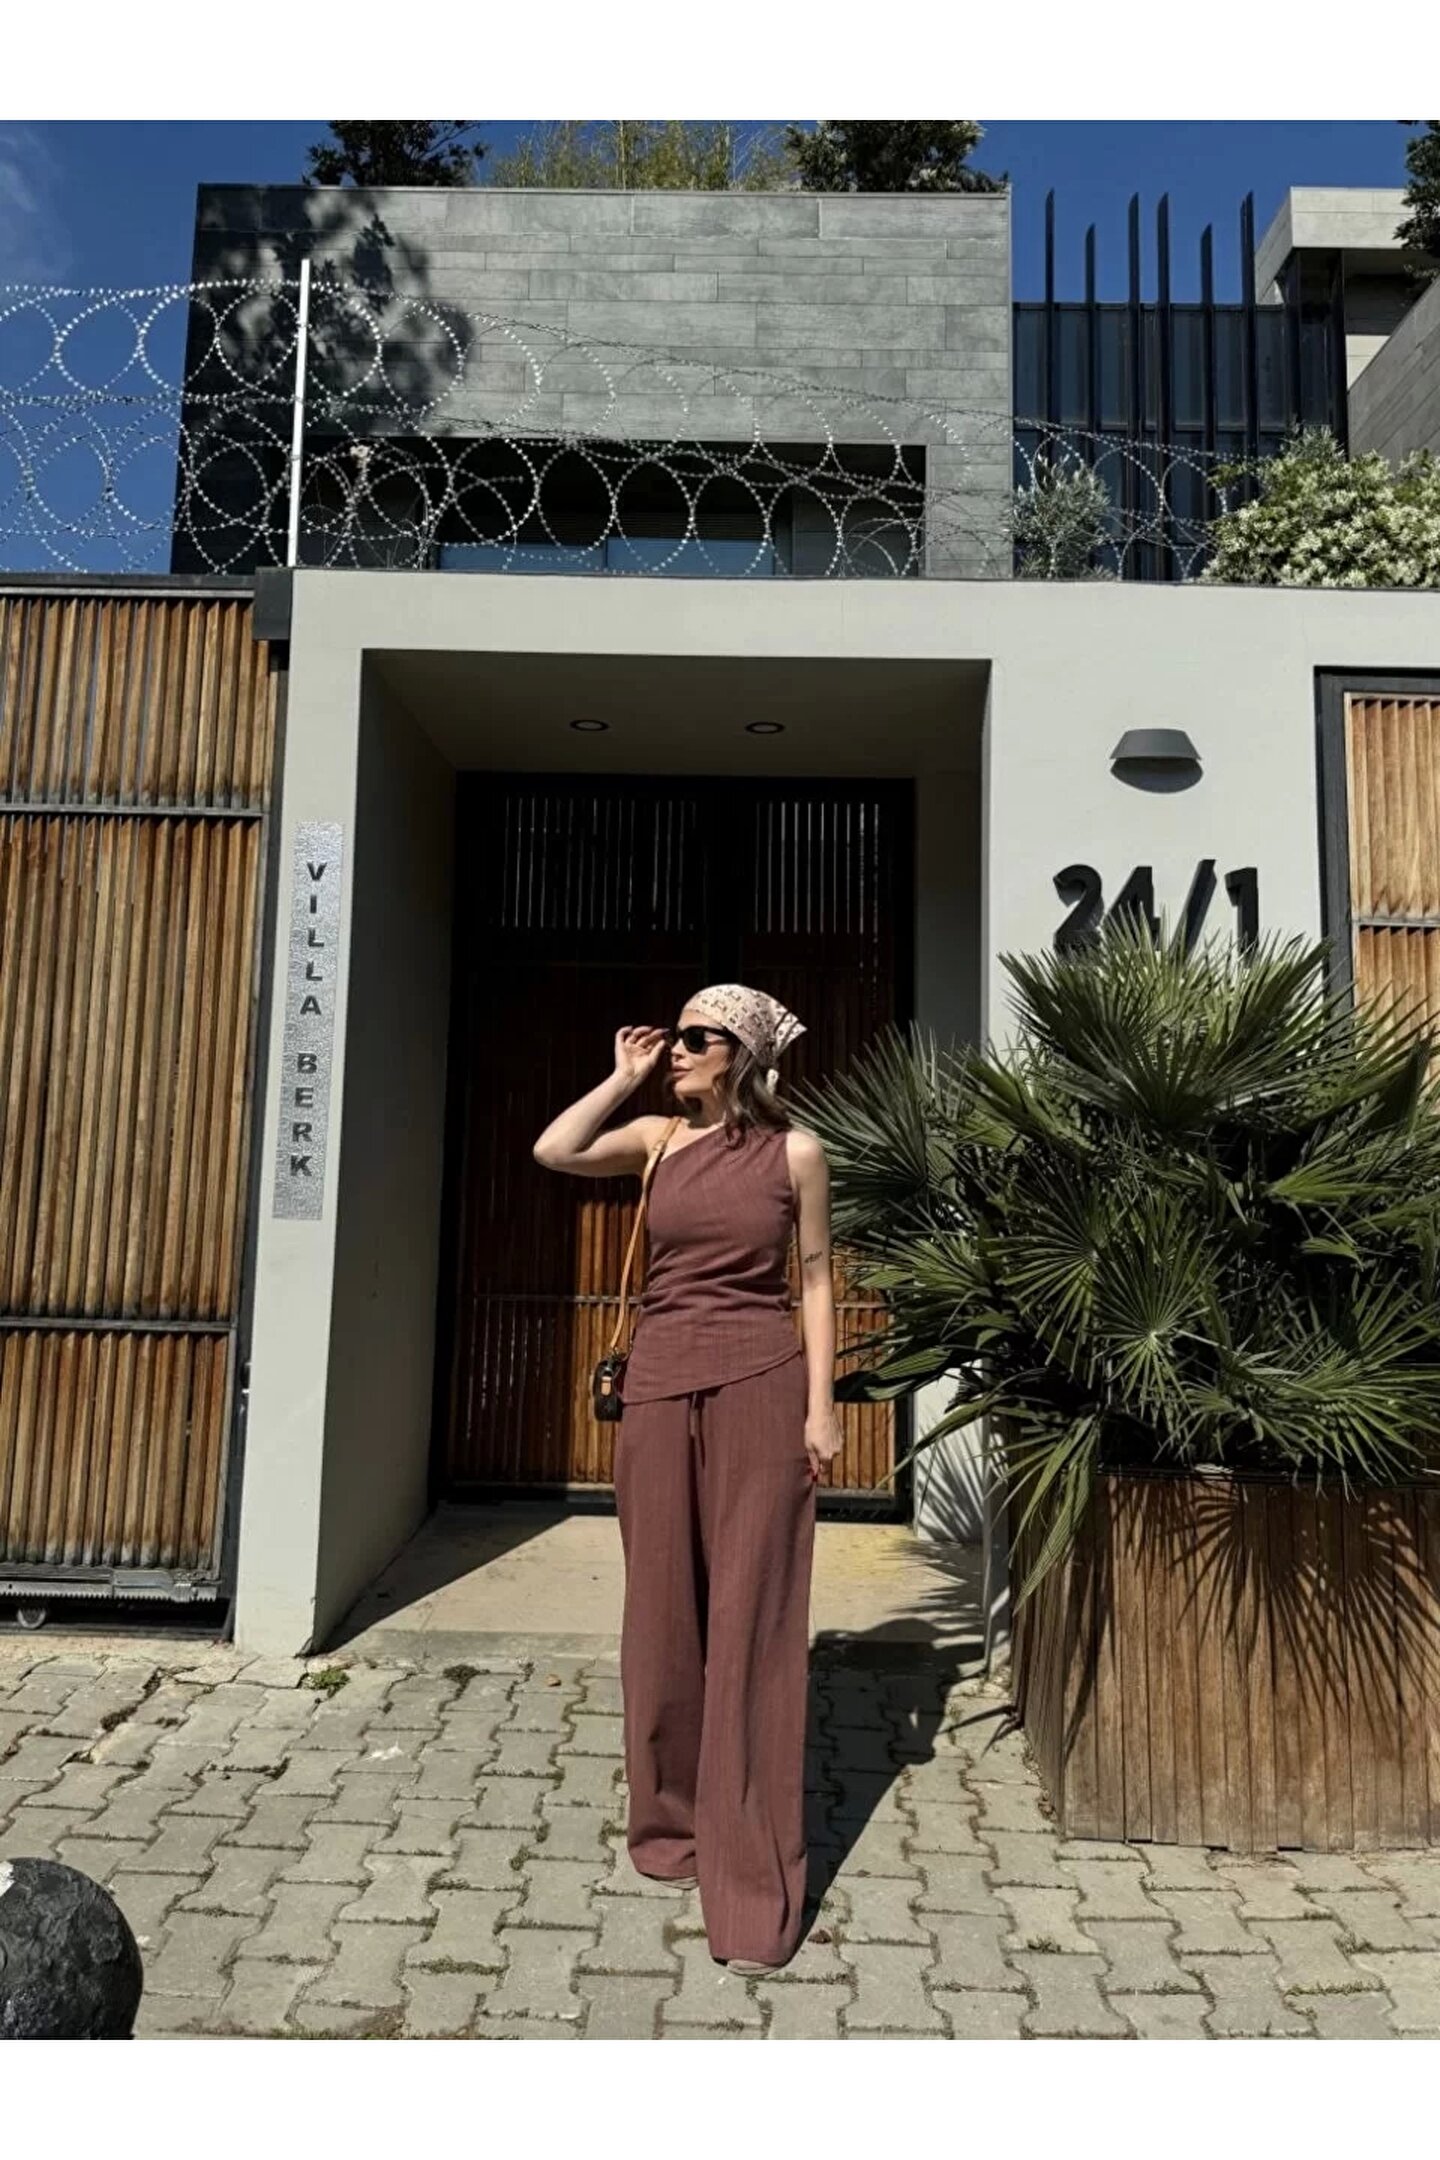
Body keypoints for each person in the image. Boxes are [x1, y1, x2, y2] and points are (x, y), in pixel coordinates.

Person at [532, 984, 843, 1974]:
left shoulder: (796, 1152)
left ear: (740, 1053)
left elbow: (817, 1279)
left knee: (752, 1621)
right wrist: (620, 1078)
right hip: (659, 1389)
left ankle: (750, 1881)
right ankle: (671, 1827)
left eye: (695, 1037)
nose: (675, 1049)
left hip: (761, 1385)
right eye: (674, 1035)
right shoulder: (657, 1139)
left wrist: (823, 1407)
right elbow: (555, 1150)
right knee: (662, 1615)